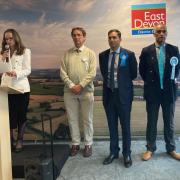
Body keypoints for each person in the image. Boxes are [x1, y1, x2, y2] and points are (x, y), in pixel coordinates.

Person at [139, 24, 180, 161]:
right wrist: (153, 84)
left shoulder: (174, 50)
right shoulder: (146, 51)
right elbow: (142, 71)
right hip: (153, 92)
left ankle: (171, 149)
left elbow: (177, 69)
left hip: (169, 92)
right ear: (154, 34)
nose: (161, 33)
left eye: (164, 31)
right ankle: (150, 148)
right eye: (158, 31)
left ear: (166, 33)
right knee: (152, 122)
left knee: (169, 122)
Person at [99, 29, 137, 167]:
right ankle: (113, 152)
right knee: (112, 126)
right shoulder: (102, 55)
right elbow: (104, 73)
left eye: (114, 37)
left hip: (124, 97)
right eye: (109, 37)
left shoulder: (129, 55)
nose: (112, 40)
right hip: (109, 95)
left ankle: (126, 153)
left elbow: (133, 74)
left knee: (125, 126)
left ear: (120, 39)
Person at [60, 27, 96, 157]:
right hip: (69, 92)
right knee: (72, 119)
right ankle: (75, 144)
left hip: (86, 91)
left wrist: (80, 85)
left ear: (84, 37)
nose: (76, 37)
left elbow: (92, 73)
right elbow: (63, 73)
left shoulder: (90, 53)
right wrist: (71, 85)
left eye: (79, 35)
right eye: (74, 35)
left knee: (87, 119)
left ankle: (88, 144)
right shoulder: (66, 54)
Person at [0, 29, 31, 152]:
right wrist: (1, 58)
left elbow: (28, 70)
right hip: (7, 88)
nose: (8, 41)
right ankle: (10, 140)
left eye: (10, 38)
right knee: (9, 115)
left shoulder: (25, 51)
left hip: (21, 88)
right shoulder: (2, 52)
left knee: (21, 115)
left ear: (16, 38)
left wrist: (16, 73)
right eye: (6, 39)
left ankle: (20, 140)